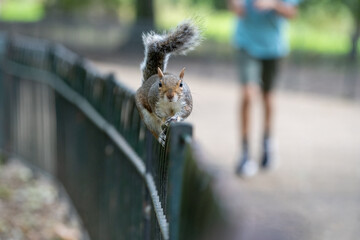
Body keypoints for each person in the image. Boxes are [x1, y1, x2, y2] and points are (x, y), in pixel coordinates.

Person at [228, 0, 300, 177]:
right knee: (248, 93)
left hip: (274, 47)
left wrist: (273, 5)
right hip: (247, 43)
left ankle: (267, 143)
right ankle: (245, 152)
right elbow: (234, 6)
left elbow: (292, 13)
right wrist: (235, 5)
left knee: (268, 97)